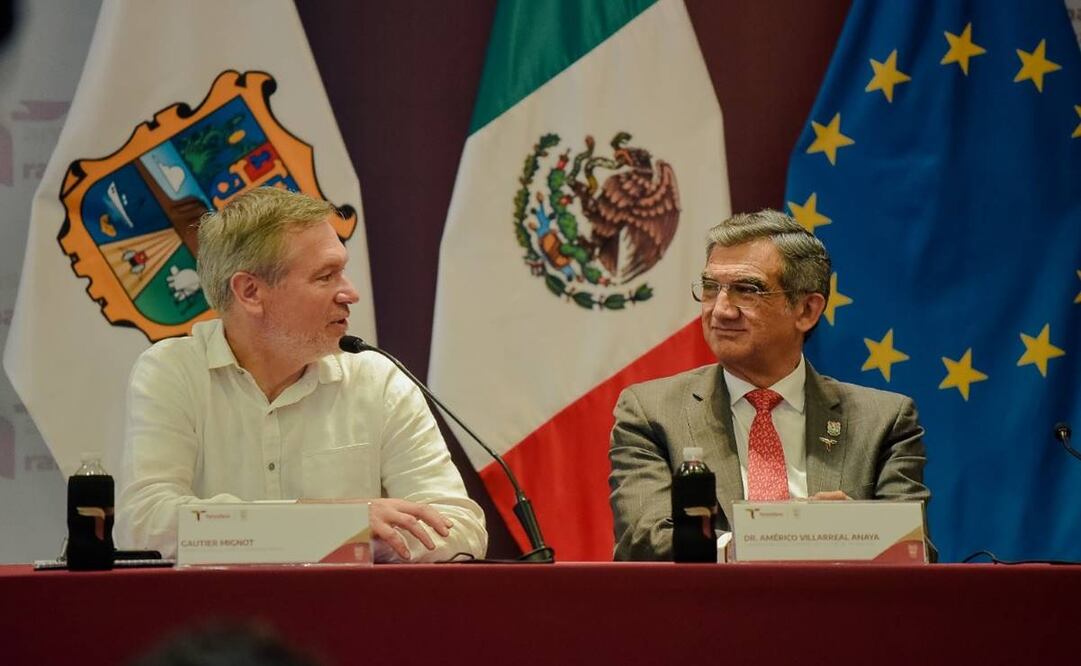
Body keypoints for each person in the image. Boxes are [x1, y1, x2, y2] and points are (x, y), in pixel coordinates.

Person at [116, 187, 487, 562]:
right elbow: (145, 524)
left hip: (347, 616)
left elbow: (461, 528)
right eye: (326, 277)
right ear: (250, 292)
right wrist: (330, 525)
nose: (350, 293)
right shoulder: (173, 372)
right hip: (219, 618)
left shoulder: (379, 381)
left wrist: (353, 538)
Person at [608, 209, 929, 560]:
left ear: (806, 310)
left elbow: (915, 552)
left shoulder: (884, 420)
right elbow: (643, 541)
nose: (720, 310)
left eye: (747, 290)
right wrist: (783, 540)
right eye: (711, 288)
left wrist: (856, 530)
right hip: (707, 611)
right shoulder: (652, 412)